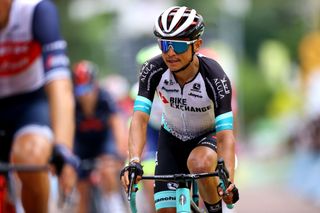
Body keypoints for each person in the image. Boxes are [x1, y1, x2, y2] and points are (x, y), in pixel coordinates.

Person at [120, 6, 239, 213]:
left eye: (179, 46)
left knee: (199, 163)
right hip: (172, 139)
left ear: (197, 45)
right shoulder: (152, 70)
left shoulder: (215, 76)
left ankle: (214, 209)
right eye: (164, 44)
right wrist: (134, 160)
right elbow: (139, 119)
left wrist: (227, 180)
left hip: (207, 137)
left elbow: (226, 135)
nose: (170, 53)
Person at [0, 0, 78, 212]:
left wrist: (63, 149)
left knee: (31, 158)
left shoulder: (36, 11)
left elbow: (60, 86)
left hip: (30, 103)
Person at [72, 60, 129, 213]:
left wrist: (121, 153)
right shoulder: (71, 102)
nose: (85, 96)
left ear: (95, 85)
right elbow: (67, 131)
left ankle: (113, 205)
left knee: (108, 168)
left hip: (104, 141)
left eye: (88, 89)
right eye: (80, 91)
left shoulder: (105, 98)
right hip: (82, 143)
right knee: (81, 187)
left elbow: (118, 126)